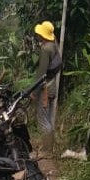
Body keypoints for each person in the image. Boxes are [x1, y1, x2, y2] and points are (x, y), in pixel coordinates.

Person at [33, 20, 62, 155]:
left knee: (43, 119)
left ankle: (47, 149)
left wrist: (34, 91)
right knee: (49, 118)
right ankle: (50, 147)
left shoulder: (45, 49)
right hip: (53, 87)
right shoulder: (54, 45)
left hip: (45, 88)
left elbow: (41, 73)